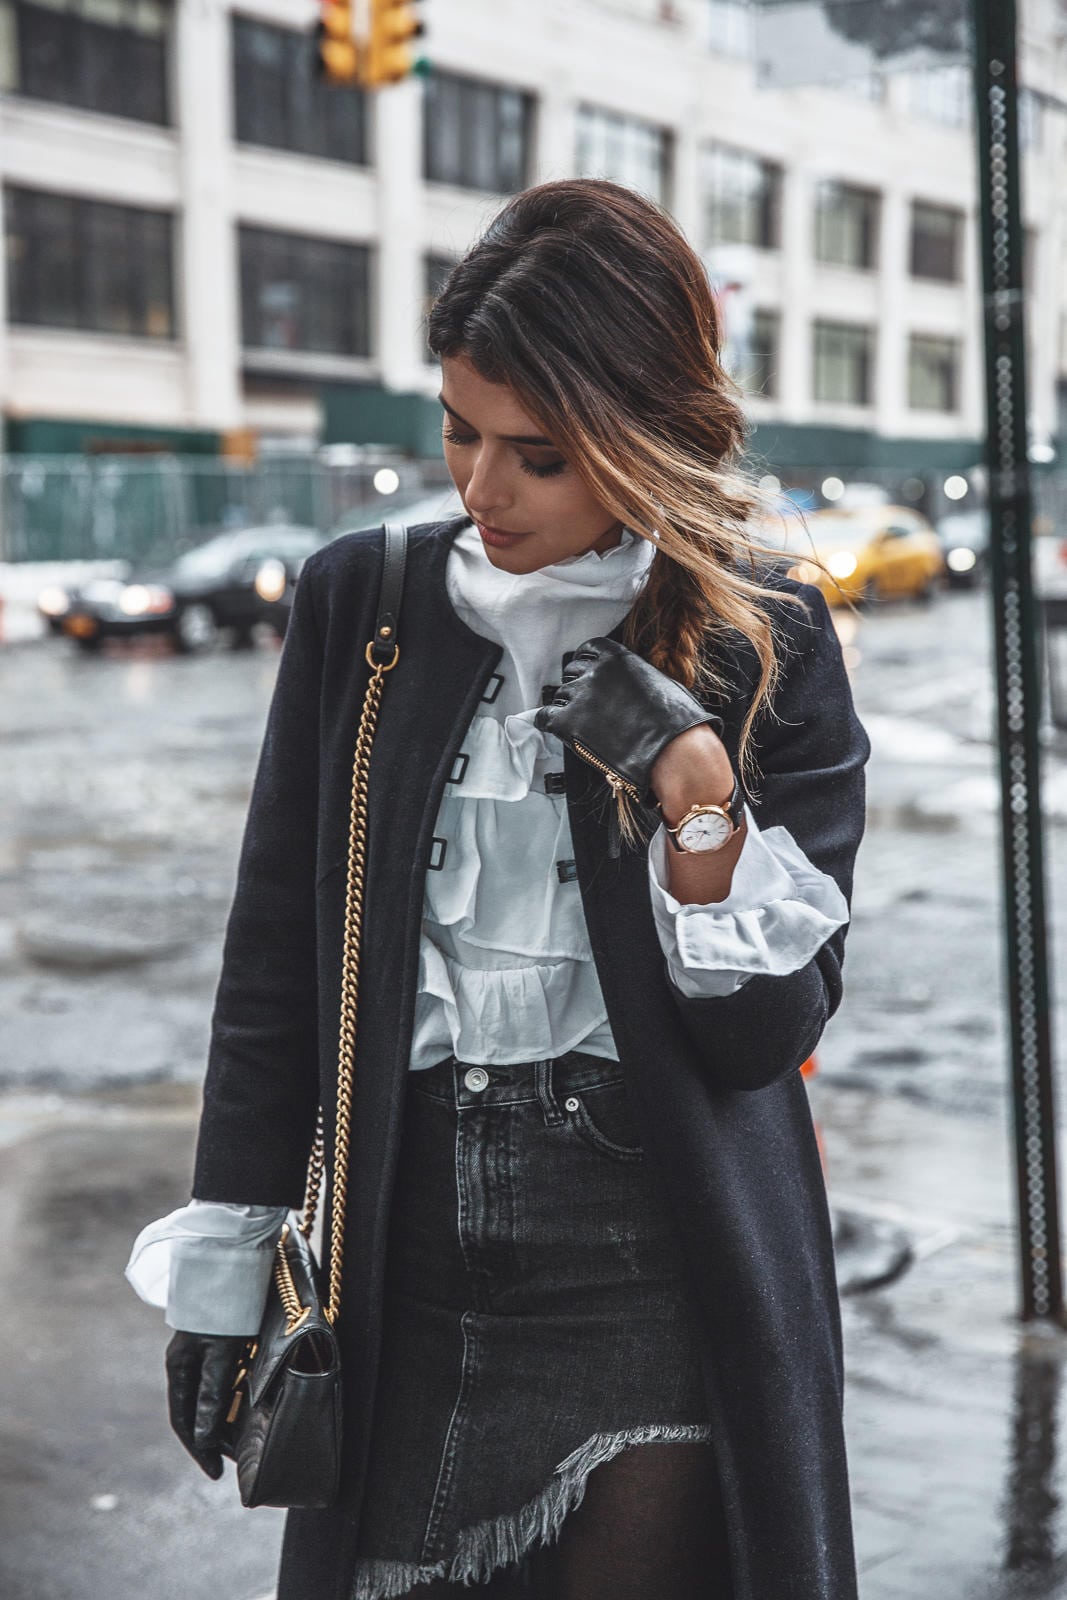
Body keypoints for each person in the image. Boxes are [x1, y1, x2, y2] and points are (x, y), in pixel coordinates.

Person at [126, 178, 871, 1600]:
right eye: (460, 433)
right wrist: (226, 1267)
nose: (482, 489)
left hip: (655, 1256)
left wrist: (696, 798)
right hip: (399, 1243)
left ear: (641, 437)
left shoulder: (757, 632)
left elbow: (758, 1036)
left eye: (538, 453)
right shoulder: (368, 602)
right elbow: (279, 962)